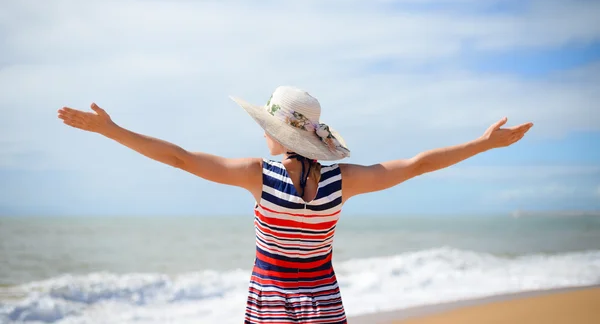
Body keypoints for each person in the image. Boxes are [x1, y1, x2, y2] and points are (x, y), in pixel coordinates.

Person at [57, 85, 533, 323]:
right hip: (324, 301)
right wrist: (483, 144)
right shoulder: (341, 182)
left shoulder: (257, 175)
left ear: (275, 133)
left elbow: (179, 159)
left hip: (273, 301)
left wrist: (111, 130)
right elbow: (416, 165)